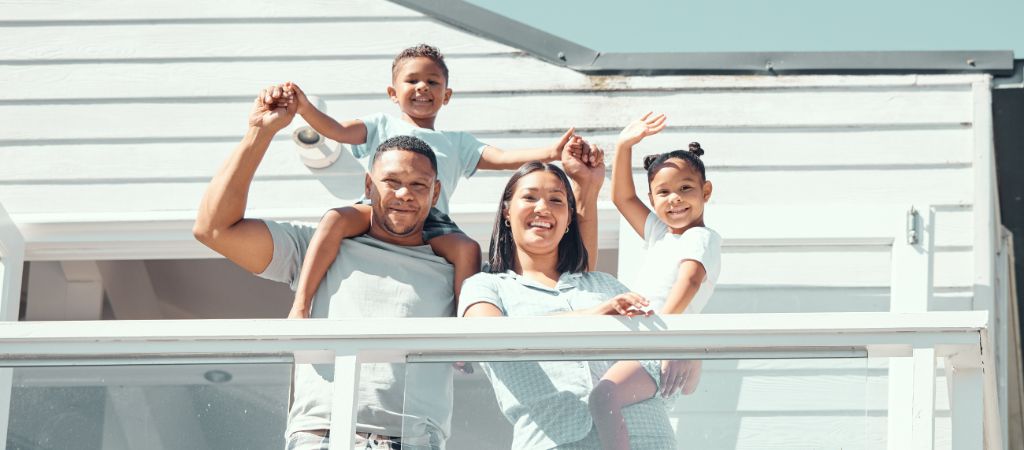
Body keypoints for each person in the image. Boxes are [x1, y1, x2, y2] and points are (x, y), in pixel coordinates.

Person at [193, 90, 458, 449]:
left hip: (411, 440)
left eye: (418, 185)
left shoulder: (455, 266)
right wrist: (260, 132)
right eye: (391, 182)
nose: (403, 194)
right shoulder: (318, 245)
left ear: (435, 190)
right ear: (368, 185)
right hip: (321, 435)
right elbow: (213, 230)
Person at [260, 44, 596, 319]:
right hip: (376, 210)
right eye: (412, 81)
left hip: (432, 221)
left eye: (433, 83)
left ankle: (463, 329)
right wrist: (304, 108)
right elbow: (336, 130)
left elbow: (501, 158)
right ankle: (301, 304)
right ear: (393, 92)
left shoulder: (456, 141)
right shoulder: (379, 125)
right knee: (334, 219)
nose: (423, 87)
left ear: (446, 95)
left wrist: (552, 151)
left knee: (467, 249)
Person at [459, 159, 677, 449]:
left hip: (648, 438)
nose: (543, 208)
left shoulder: (605, 284)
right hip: (554, 441)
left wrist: (680, 353)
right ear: (506, 211)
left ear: (569, 219)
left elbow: (662, 360)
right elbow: (491, 338)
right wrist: (593, 315)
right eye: (529, 197)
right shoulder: (485, 286)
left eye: (556, 200)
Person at [590, 112, 723, 449]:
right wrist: (624, 145)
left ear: (706, 191)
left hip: (659, 340)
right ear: (652, 200)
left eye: (685, 189)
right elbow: (622, 198)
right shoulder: (660, 234)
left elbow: (690, 281)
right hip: (650, 341)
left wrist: (669, 338)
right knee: (617, 407)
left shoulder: (701, 237)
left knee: (603, 397)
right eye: (662, 192)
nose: (674, 198)